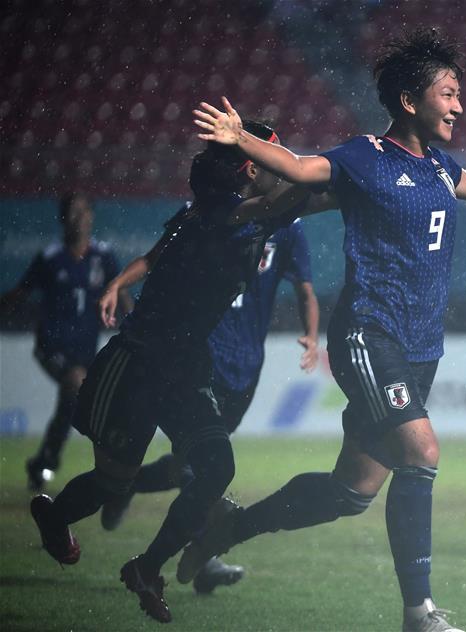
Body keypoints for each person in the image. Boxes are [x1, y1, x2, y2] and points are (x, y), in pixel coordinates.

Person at [181, 28, 466, 632]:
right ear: (410, 100)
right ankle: (418, 613)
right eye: (449, 93)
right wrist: (239, 137)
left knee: (349, 492)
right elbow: (300, 167)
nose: (459, 106)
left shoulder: (435, 165)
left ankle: (228, 528)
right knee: (422, 454)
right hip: (367, 336)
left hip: (420, 348)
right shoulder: (365, 157)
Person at [29, 120, 329, 623]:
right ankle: (54, 514)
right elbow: (296, 196)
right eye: (273, 160)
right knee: (112, 482)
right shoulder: (230, 214)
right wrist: (360, 171)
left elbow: (302, 200)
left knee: (216, 468)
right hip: (138, 363)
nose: (282, 168)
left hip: (187, 366)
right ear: (253, 168)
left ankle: (147, 567)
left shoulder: (218, 214)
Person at [95, 210, 320, 595]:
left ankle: (128, 485)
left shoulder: (288, 227)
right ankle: (202, 557)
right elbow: (156, 257)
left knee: (191, 465)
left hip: (246, 365)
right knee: (211, 464)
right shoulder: (208, 210)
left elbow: (305, 287)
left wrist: (312, 334)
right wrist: (118, 283)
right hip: (202, 355)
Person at [0, 193, 129, 491]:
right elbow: (20, 294)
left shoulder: (103, 256)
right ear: (62, 219)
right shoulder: (49, 258)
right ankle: (64, 465)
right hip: (51, 347)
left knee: (71, 403)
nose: (79, 218)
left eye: (84, 211)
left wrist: (135, 325)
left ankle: (43, 462)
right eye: (73, 212)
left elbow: (120, 294)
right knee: (74, 383)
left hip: (86, 351)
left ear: (92, 217)